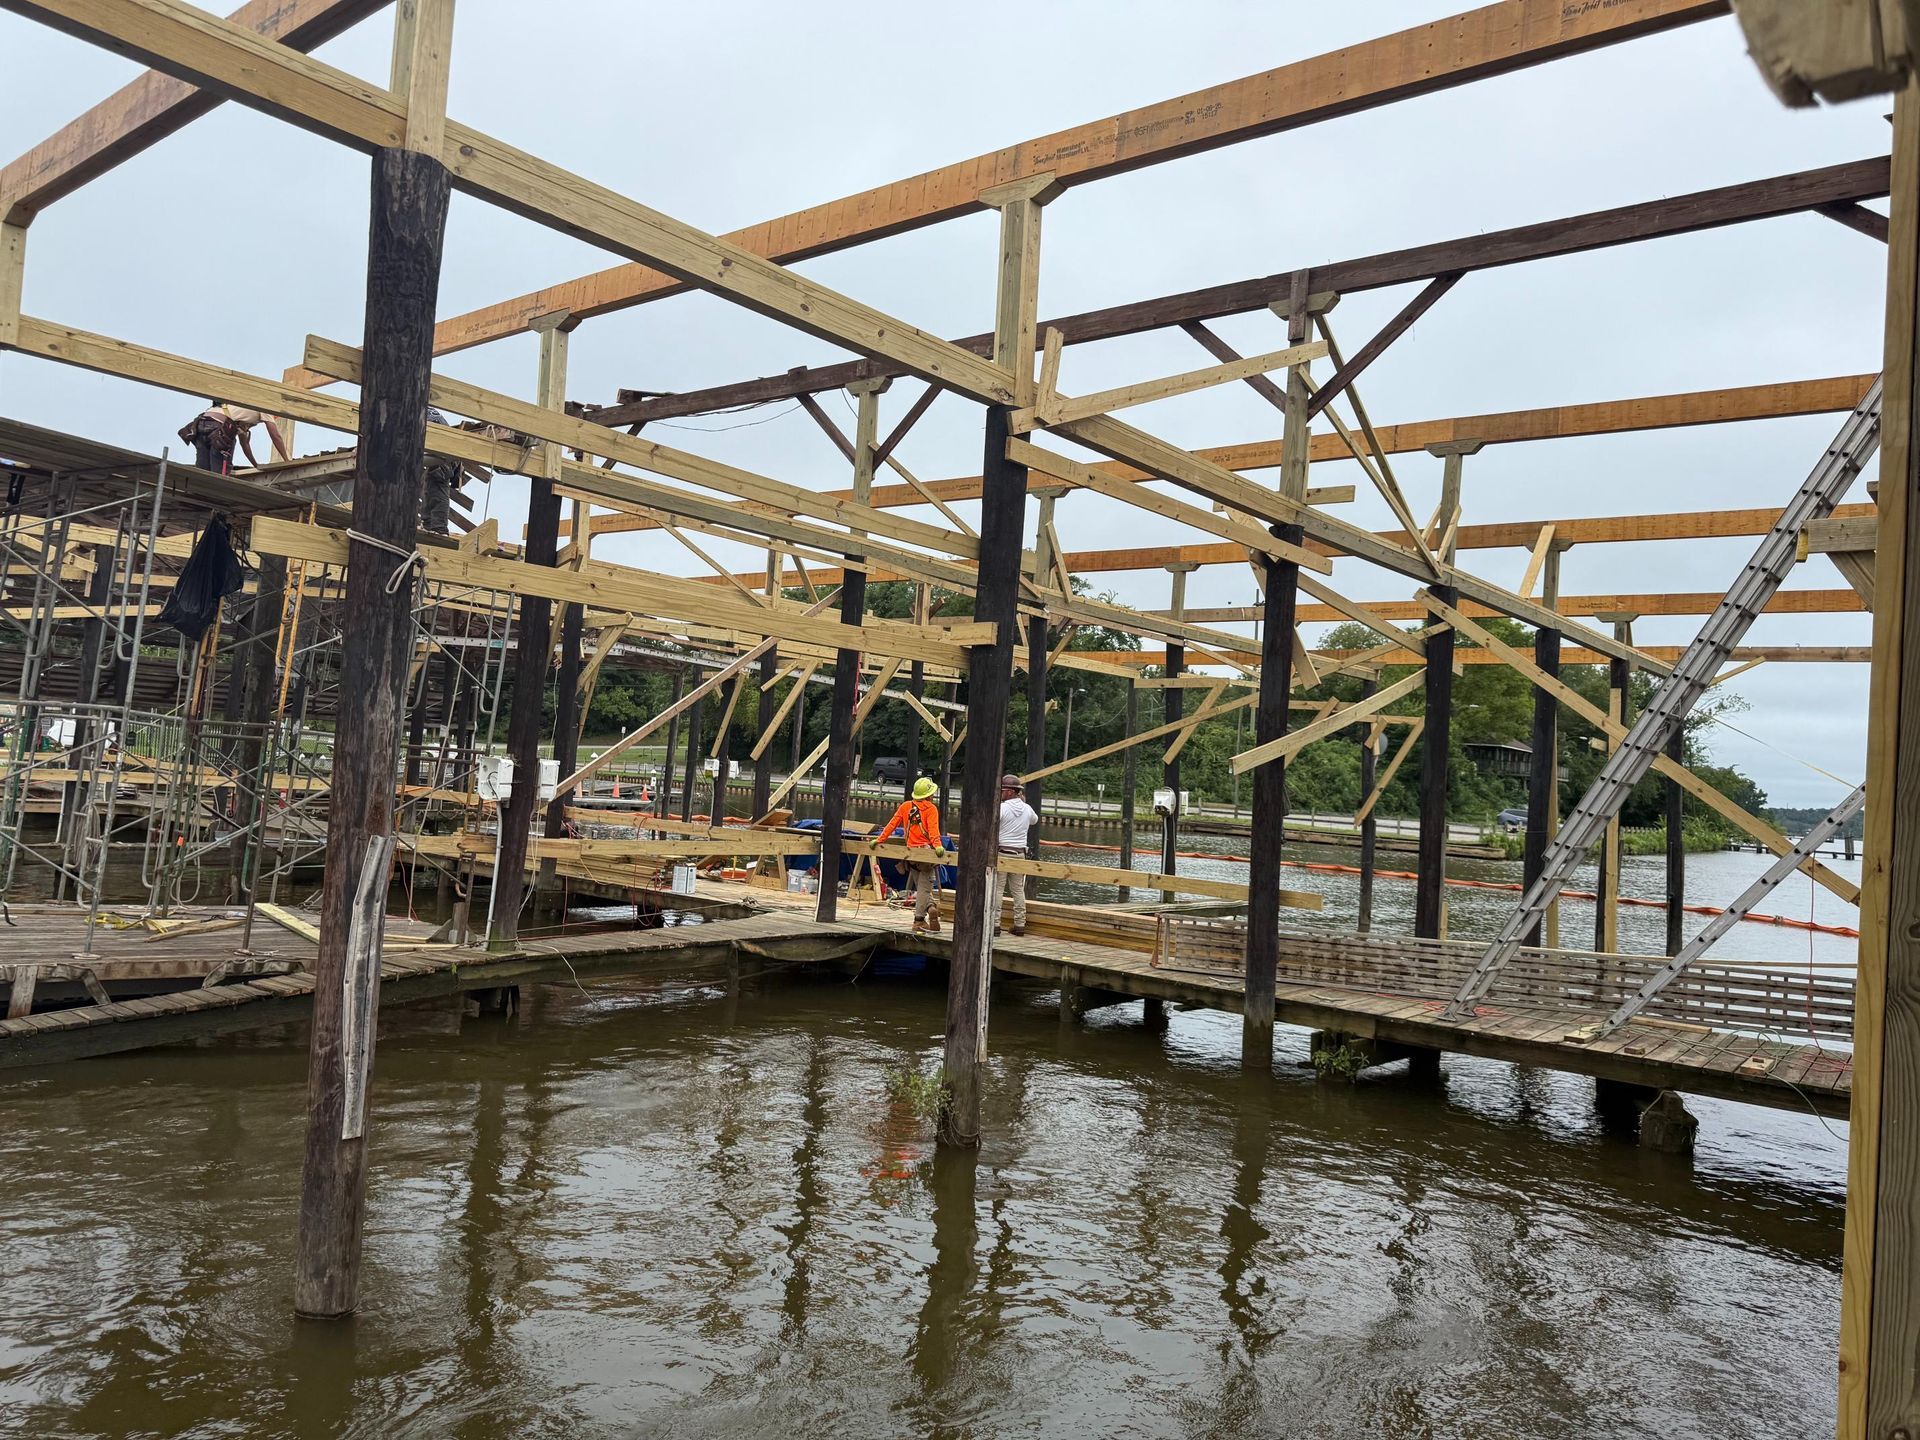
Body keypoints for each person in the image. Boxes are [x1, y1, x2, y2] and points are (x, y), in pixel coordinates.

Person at [873, 776, 944, 934]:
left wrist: (879, 839)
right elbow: (933, 831)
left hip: (911, 854)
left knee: (922, 887)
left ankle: (931, 908)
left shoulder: (906, 806)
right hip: (926, 855)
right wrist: (938, 846)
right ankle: (918, 921)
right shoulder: (931, 809)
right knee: (925, 889)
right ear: (929, 794)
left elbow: (892, 824)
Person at [179, 402, 288, 473]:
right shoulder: (266, 407)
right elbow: (275, 436)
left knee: (203, 470)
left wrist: (256, 465)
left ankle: (204, 500)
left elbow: (244, 444)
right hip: (219, 427)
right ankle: (218, 505)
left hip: (200, 424)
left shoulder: (241, 413)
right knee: (220, 472)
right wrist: (287, 460)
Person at [997, 773, 1039, 936]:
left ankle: (995, 925)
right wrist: (1023, 802)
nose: (1000, 792)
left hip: (1002, 853)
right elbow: (1034, 820)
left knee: (998, 890)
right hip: (1019, 854)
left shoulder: (1001, 808)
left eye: (1002, 790)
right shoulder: (1027, 808)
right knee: (1018, 891)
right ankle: (1020, 924)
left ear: (1009, 792)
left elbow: (992, 822)